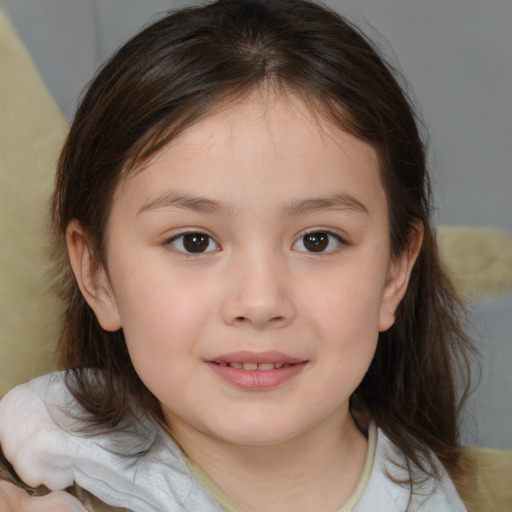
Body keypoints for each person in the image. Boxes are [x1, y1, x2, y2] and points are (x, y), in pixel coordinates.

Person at [0, 0, 476, 510]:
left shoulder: (424, 498)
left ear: (395, 273)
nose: (260, 300)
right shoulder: (47, 446)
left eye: (318, 240)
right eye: (194, 241)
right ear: (97, 274)